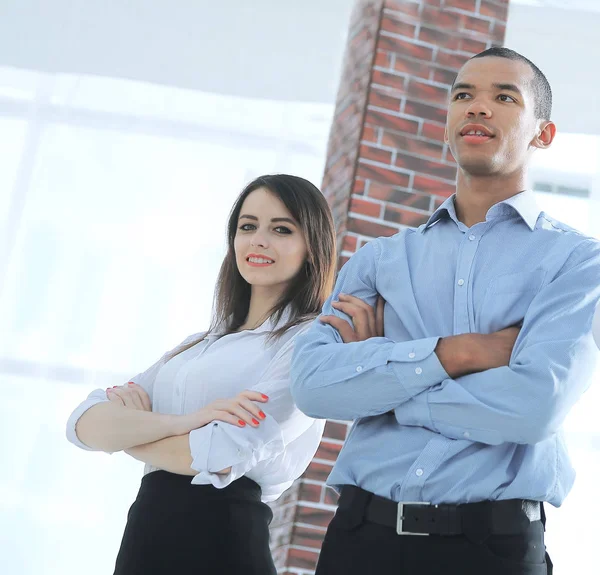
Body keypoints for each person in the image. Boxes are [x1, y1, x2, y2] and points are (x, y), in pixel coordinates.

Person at [291, 47, 600, 575]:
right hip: (360, 541)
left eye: (504, 96)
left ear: (542, 134)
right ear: (448, 125)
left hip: (490, 550)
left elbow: (533, 407)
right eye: (463, 96)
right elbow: (315, 387)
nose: (477, 108)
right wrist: (458, 354)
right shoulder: (380, 258)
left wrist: (387, 385)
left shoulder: (576, 262)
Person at [66, 174, 336, 575]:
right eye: (248, 227)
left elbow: (218, 454)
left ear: (312, 249)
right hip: (145, 540)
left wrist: (128, 438)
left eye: (281, 229)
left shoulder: (310, 342)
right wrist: (187, 422)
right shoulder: (197, 345)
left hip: (221, 540)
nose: (258, 240)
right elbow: (81, 425)